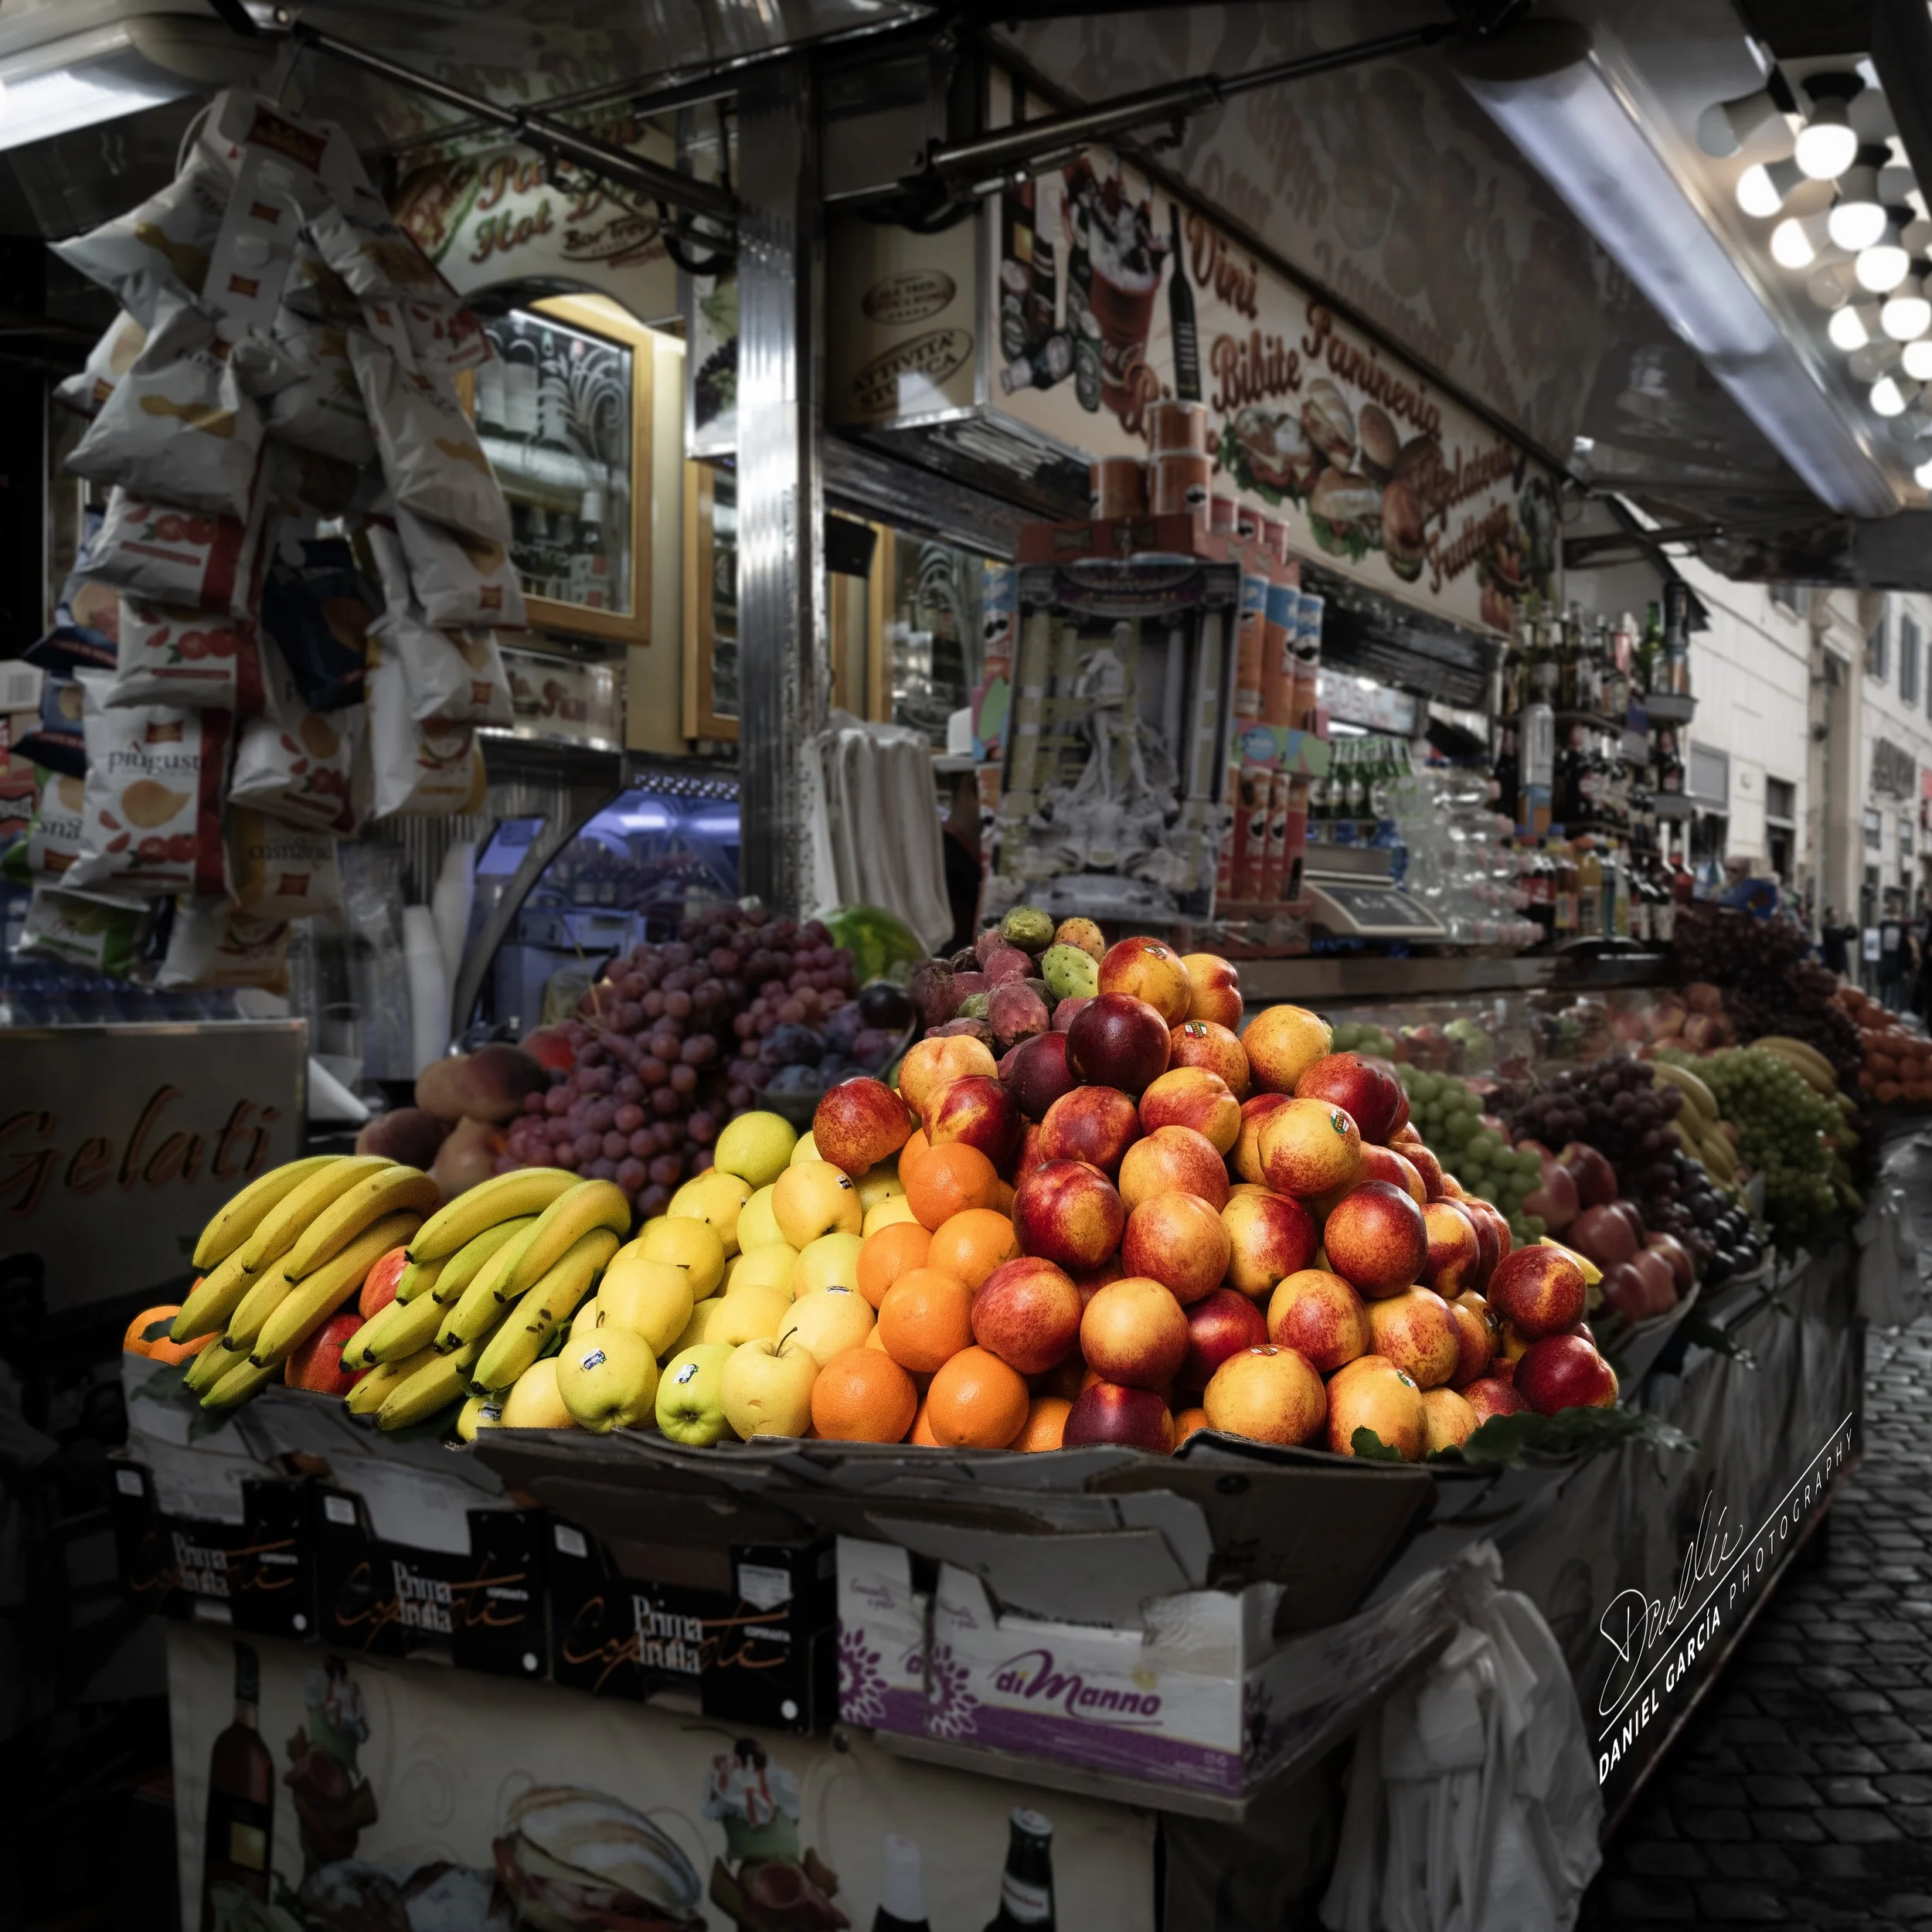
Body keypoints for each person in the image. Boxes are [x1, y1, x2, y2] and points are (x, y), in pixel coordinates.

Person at [1879, 900, 1906, 1010]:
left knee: (1892, 989)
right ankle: (1886, 1009)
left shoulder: (1897, 925)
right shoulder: (1887, 925)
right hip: (1889, 960)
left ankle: (1889, 1009)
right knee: (1889, 988)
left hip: (1892, 961)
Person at [1821, 907, 1851, 978]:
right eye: (1833, 915)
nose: (1836, 917)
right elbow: (1837, 938)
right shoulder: (1826, 929)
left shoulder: (1838, 929)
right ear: (1829, 916)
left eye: (1836, 915)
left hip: (1841, 964)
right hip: (1832, 965)